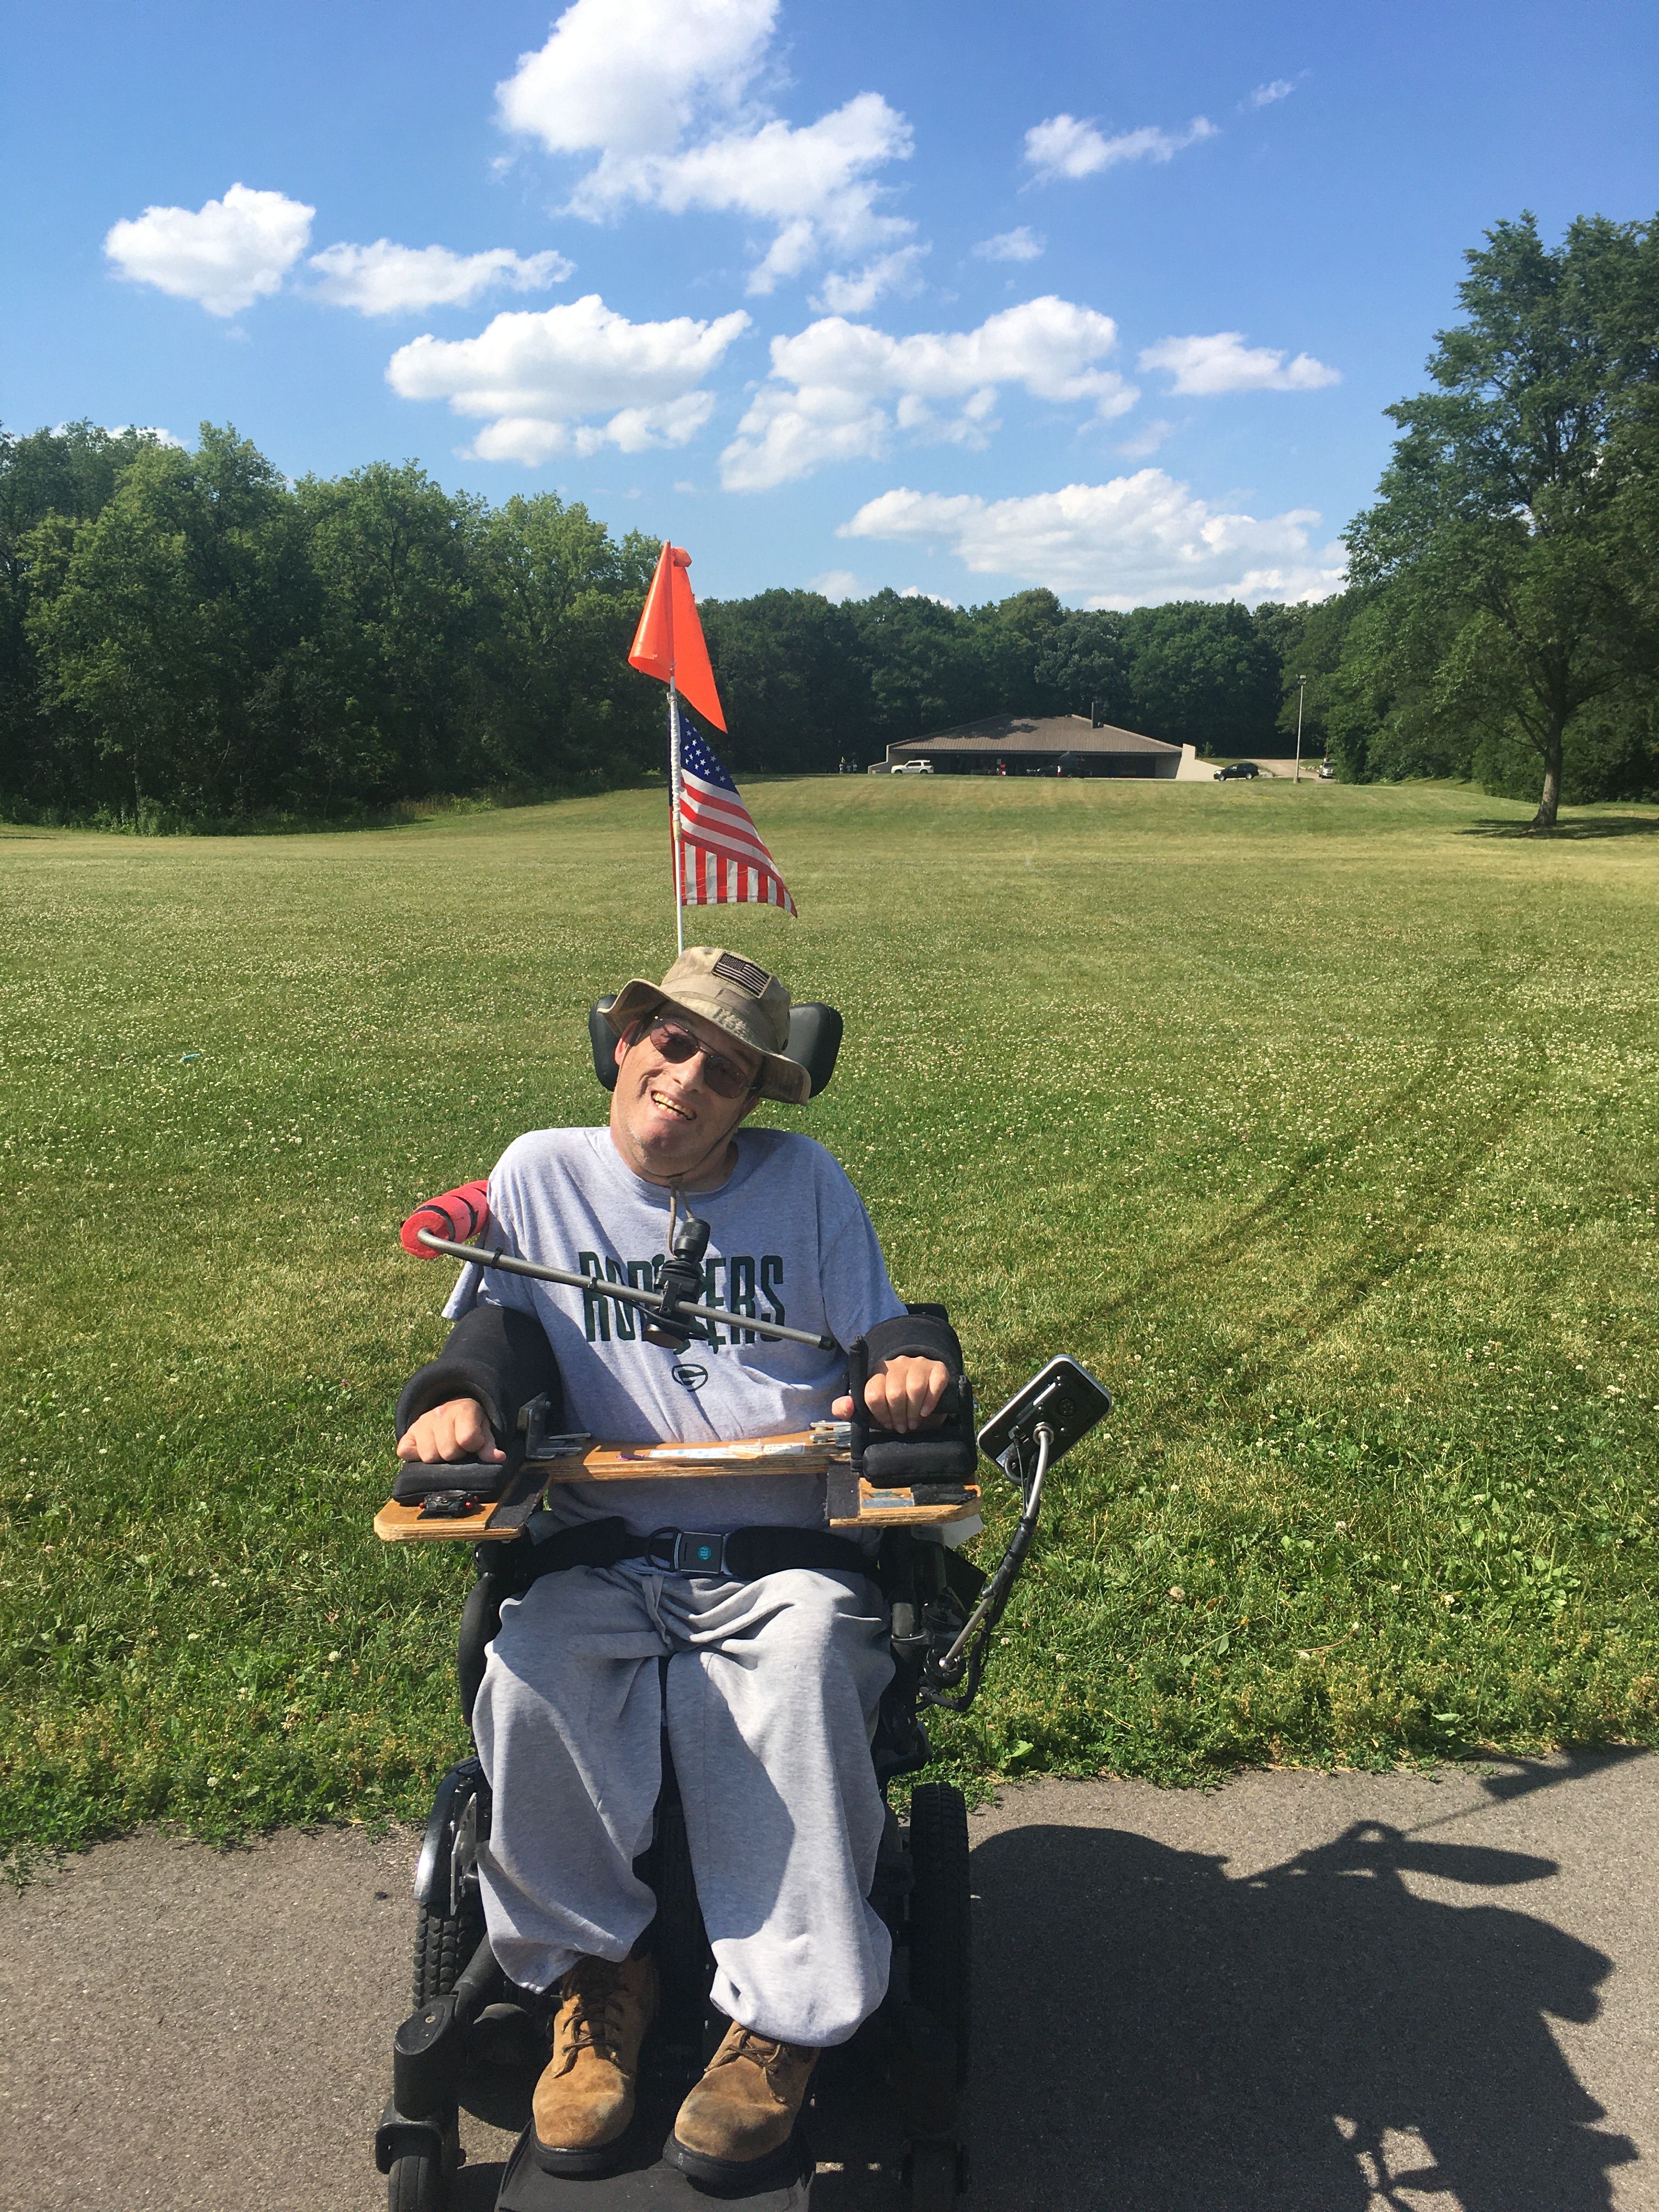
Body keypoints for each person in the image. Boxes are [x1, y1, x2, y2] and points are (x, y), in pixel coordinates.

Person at [394, 946, 953, 2183]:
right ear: (625, 1038)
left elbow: (881, 1333)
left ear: (754, 1101)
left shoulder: (805, 1184)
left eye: (730, 1071)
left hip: (781, 1556)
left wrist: (907, 1365)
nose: (689, 1078)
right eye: (672, 1041)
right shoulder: (542, 1175)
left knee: (804, 1666)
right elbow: (497, 1334)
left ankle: (782, 2023)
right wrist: (455, 1401)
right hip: (604, 1549)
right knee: (532, 1667)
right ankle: (601, 1983)